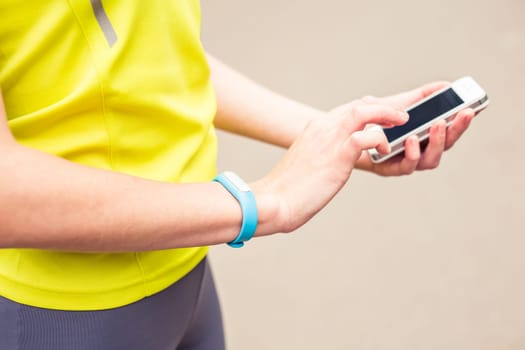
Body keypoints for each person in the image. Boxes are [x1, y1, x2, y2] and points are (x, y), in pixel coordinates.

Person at [0, 1, 475, 349]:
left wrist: (334, 138)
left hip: (186, 268)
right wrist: (265, 202)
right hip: (65, 313)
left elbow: (151, 54)